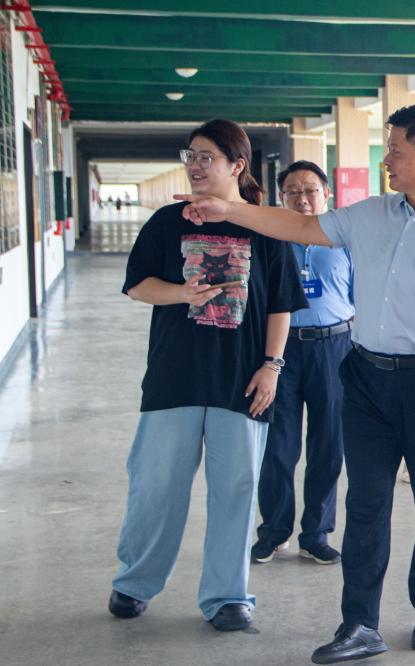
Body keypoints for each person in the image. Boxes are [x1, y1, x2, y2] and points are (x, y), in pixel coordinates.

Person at [175, 103, 415, 663]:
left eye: (395, 149)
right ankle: (359, 623)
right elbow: (300, 227)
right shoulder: (371, 214)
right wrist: (229, 208)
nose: (387, 160)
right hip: (366, 376)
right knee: (365, 504)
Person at [108, 119, 308, 632]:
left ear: (236, 165)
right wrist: (181, 293)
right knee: (154, 484)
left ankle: (227, 595)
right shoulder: (167, 221)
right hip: (174, 375)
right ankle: (134, 581)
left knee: (236, 489)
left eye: (206, 157)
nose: (195, 166)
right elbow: (137, 285)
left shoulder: (265, 225)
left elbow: (281, 304)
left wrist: (272, 366)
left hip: (240, 379)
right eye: (190, 156)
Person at [251, 161, 354, 566]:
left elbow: (361, 297)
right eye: (293, 191)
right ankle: (274, 532)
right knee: (278, 445)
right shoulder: (272, 239)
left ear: (326, 194)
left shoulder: (345, 240)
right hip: (282, 351)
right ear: (282, 198)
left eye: (310, 190)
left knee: (329, 444)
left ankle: (316, 533)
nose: (302, 198)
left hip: (335, 348)